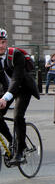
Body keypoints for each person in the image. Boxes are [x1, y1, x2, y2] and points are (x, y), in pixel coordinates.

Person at [0, 28, 40, 165]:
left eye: (3, 42)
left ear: (7, 42)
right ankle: (13, 141)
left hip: (23, 88)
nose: (0, 45)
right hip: (7, 89)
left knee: (17, 116)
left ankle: (20, 151)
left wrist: (5, 99)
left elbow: (16, 80)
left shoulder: (15, 55)